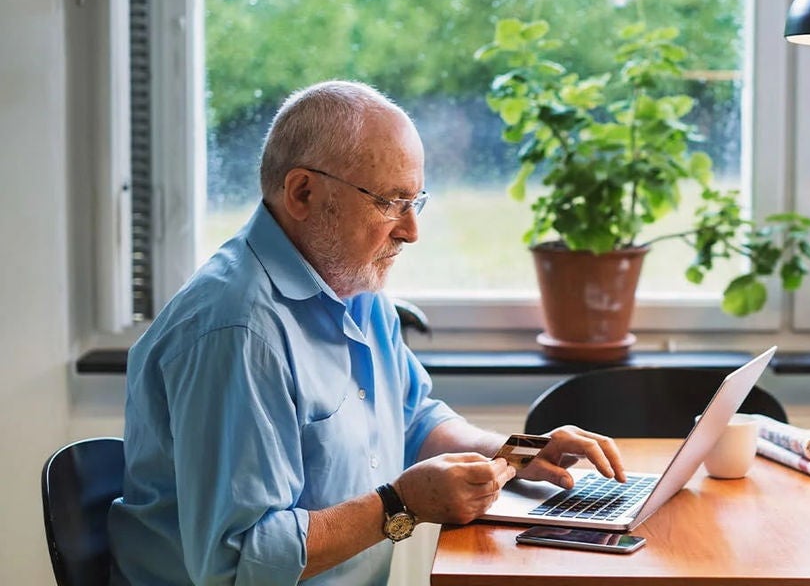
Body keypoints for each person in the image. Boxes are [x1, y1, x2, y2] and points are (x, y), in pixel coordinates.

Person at [108, 80, 627, 585]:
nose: (411, 230)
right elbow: (238, 561)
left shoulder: (354, 282)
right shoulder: (238, 332)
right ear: (303, 191)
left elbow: (411, 416)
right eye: (389, 202)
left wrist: (518, 454)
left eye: (415, 200)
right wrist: (401, 503)